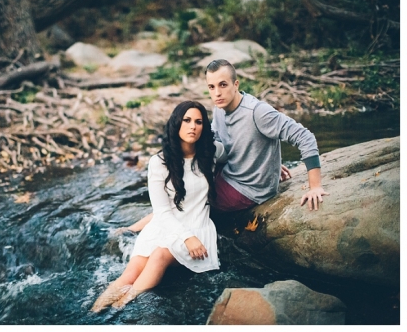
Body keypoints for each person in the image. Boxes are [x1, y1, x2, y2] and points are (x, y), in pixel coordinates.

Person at [124, 59, 329, 233]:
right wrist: (270, 164)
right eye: (211, 87)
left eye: (223, 85)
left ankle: (132, 232)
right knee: (179, 186)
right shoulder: (220, 108)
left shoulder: (257, 112)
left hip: (248, 188)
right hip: (230, 172)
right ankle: (135, 229)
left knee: (188, 202)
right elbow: (219, 144)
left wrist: (315, 186)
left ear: (236, 84)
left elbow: (305, 137)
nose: (217, 93)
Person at [90, 101, 227, 312]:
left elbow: (238, 159)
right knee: (130, 272)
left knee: (159, 256)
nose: (193, 126)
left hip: (196, 227)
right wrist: (185, 238)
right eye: (187, 120)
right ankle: (94, 313)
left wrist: (273, 168)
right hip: (165, 226)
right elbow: (161, 211)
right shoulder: (159, 162)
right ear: (176, 123)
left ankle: (121, 305)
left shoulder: (212, 152)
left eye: (199, 122)